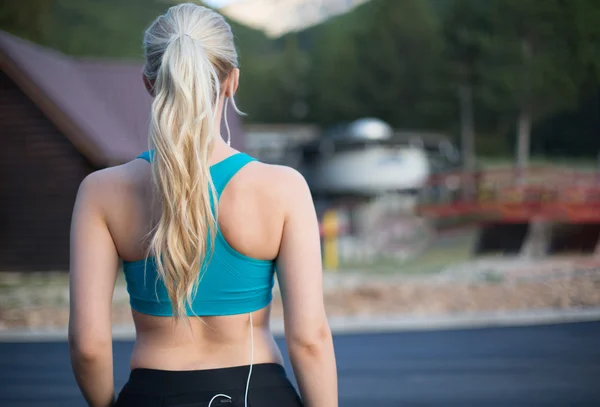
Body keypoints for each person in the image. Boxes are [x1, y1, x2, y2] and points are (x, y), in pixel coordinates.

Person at [68, 3, 338, 407]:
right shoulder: (283, 188)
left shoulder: (101, 191)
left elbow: (88, 346)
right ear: (232, 81)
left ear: (149, 83)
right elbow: (310, 338)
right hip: (257, 393)